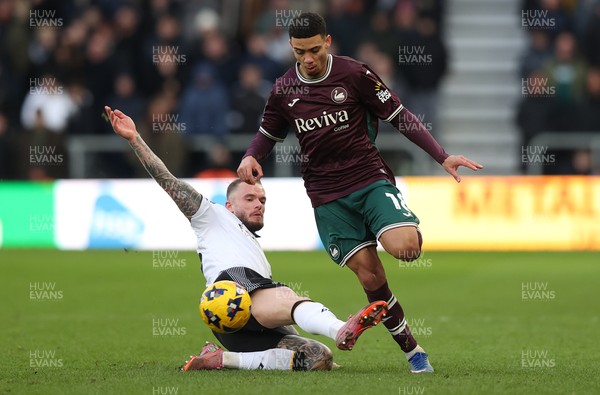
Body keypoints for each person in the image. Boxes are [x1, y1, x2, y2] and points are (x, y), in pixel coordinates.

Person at [237, 12, 484, 374]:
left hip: (368, 178)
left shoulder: (355, 74)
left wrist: (442, 156)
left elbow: (400, 115)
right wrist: (250, 155)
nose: (308, 59)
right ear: (291, 48)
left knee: (406, 249)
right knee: (371, 278)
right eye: (300, 52)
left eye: (315, 50)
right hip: (326, 195)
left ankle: (391, 224)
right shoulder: (283, 89)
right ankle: (412, 350)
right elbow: (267, 133)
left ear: (328, 42)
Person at [104, 106, 388, 372]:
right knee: (289, 298)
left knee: (319, 357)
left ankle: (221, 359)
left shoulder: (252, 246)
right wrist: (135, 138)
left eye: (262, 199)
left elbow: (272, 309)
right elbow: (168, 181)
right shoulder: (211, 215)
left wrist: (289, 332)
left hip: (236, 326)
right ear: (228, 205)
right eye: (250, 198)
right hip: (230, 291)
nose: (258, 204)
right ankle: (340, 328)